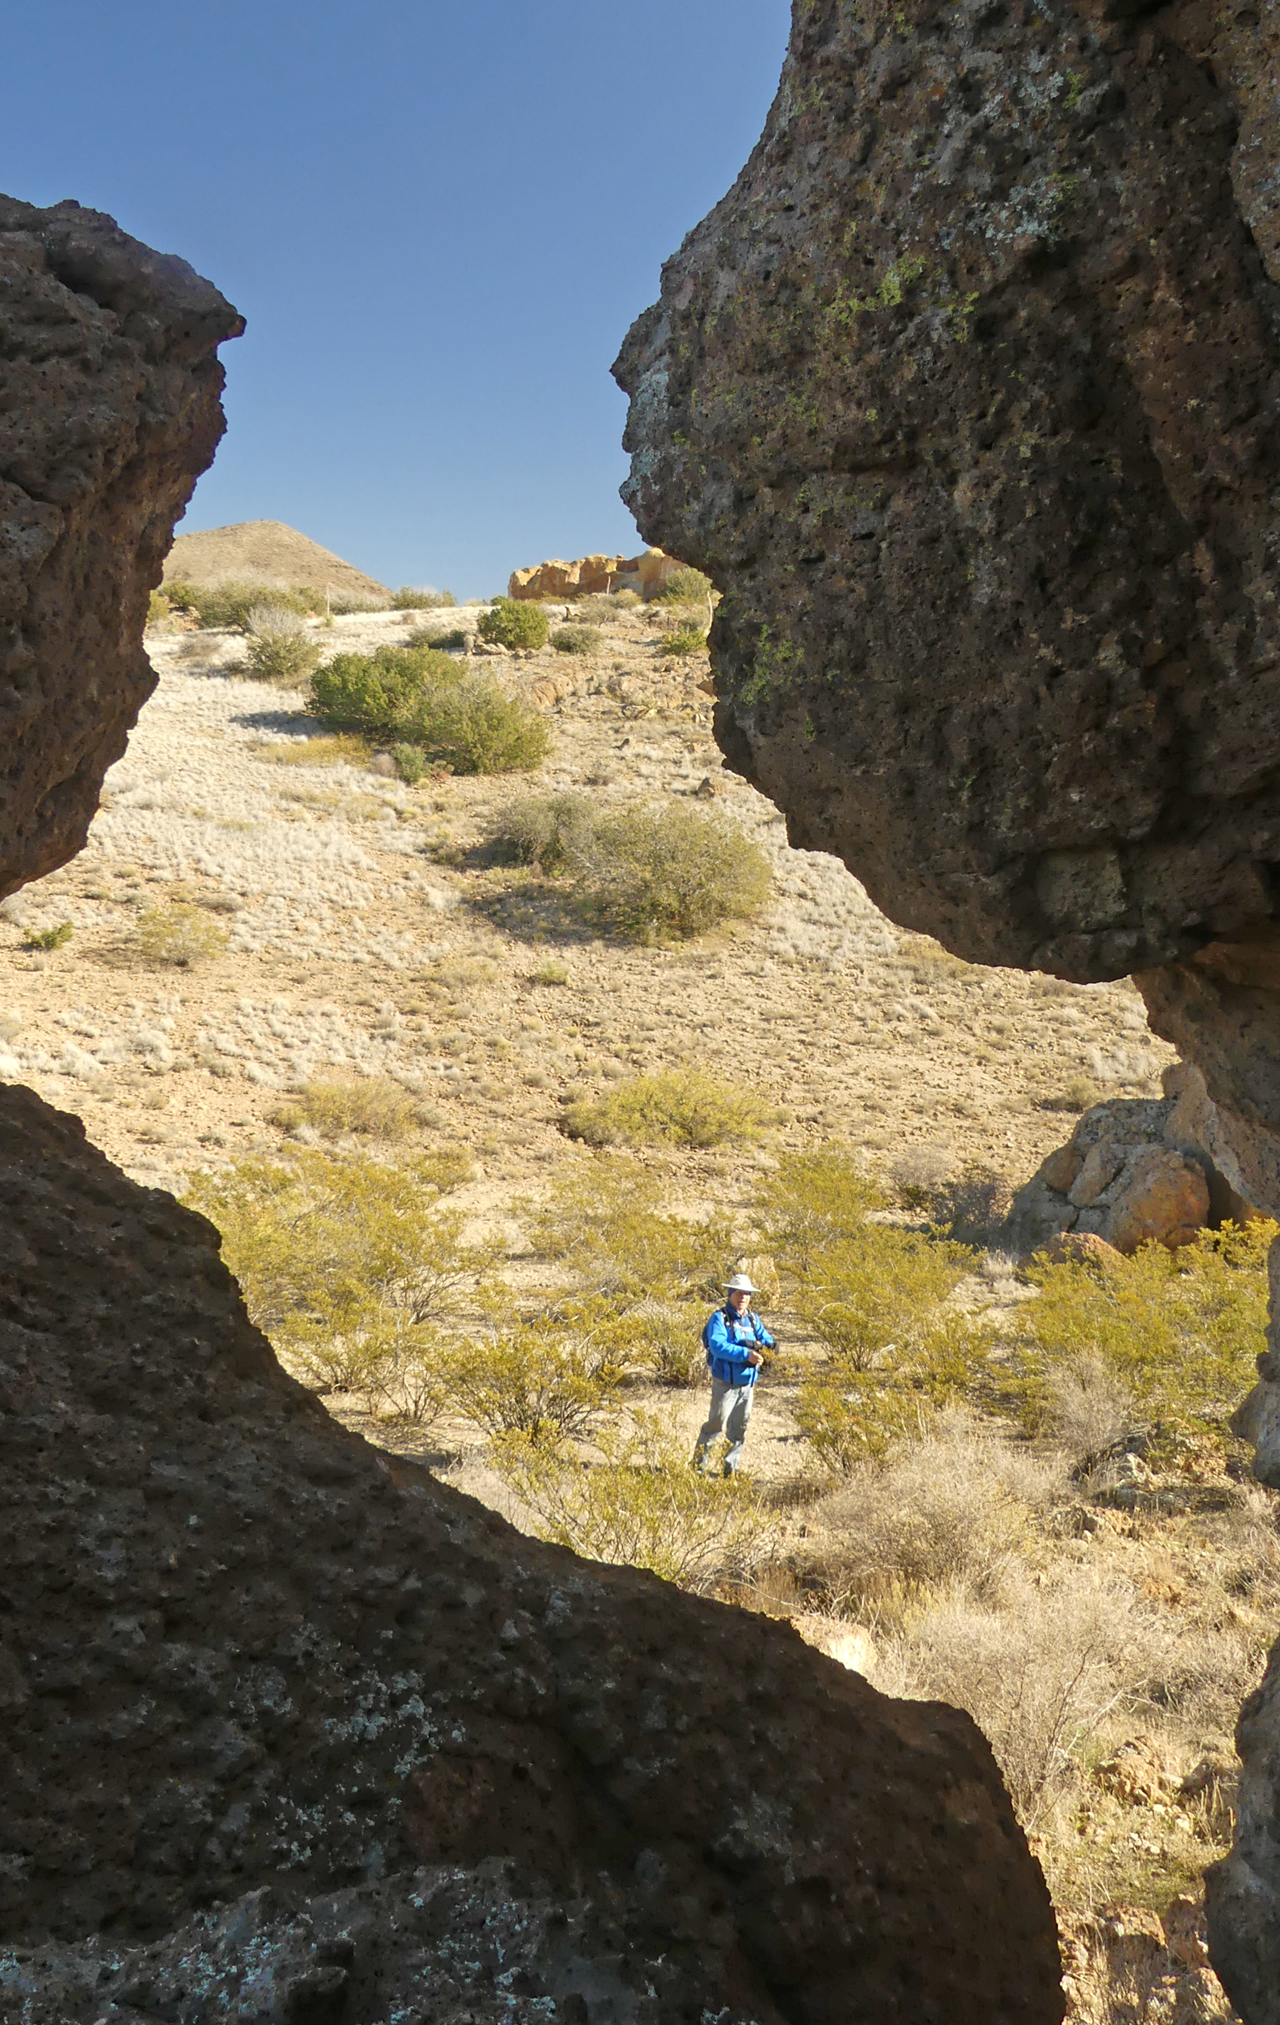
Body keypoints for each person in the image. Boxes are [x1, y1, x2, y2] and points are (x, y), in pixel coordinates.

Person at [693, 1272, 775, 1477]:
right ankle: (697, 1469)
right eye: (739, 1293)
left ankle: (730, 1469)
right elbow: (718, 1346)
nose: (743, 1298)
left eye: (746, 1294)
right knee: (714, 1426)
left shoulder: (753, 1320)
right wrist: (745, 1354)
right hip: (725, 1385)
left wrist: (771, 1348)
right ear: (730, 1293)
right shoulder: (719, 1318)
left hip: (747, 1385)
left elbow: (766, 1339)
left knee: (738, 1429)